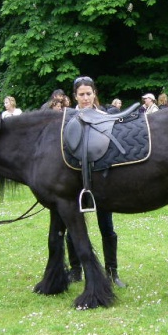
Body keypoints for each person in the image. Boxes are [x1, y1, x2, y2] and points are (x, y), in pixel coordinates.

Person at [65, 76, 125, 287]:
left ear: (94, 94)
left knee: (106, 227)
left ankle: (112, 272)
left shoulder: (105, 118)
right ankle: (75, 270)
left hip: (102, 182)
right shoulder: (68, 120)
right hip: (76, 182)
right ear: (75, 96)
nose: (85, 98)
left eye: (88, 94)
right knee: (73, 229)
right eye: (81, 94)